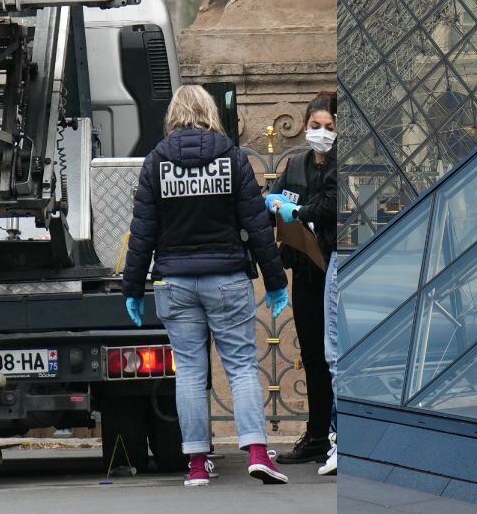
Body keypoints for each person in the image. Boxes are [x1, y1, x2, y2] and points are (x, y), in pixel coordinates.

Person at [123, 85, 290, 486]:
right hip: (227, 278)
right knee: (242, 367)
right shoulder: (232, 158)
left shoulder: (156, 162)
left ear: (174, 115)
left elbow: (142, 232)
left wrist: (132, 288)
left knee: (190, 372)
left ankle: (197, 465)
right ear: (210, 112)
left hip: (175, 282)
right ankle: (257, 453)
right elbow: (256, 224)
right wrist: (275, 280)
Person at [265, 94, 344, 477]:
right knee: (312, 354)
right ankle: (316, 435)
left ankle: (335, 433)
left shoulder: (342, 165)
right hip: (305, 267)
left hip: (334, 266)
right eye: (315, 126)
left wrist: (298, 211)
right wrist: (273, 203)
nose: (321, 133)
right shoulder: (297, 163)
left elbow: (331, 206)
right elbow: (276, 197)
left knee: (335, 356)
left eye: (329, 127)